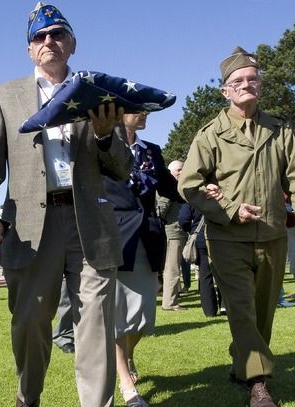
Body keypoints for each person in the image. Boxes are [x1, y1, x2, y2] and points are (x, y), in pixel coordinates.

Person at [0, 3, 133, 406]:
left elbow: (122, 169)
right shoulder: (4, 96)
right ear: (29, 50)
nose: (49, 42)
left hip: (89, 223)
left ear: (72, 43)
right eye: (39, 37)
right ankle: (28, 397)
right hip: (28, 229)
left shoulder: (97, 93)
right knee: (30, 323)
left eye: (57, 34)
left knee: (94, 324)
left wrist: (108, 135)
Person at [178, 47, 295, 407]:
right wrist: (228, 208)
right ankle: (258, 384)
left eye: (252, 79)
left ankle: (242, 361)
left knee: (262, 312)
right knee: (242, 309)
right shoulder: (211, 134)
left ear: (261, 85)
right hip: (227, 239)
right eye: (237, 81)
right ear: (225, 91)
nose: (246, 85)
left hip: (273, 234)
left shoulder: (281, 130)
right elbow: (189, 185)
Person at [103, 112, 181, 406]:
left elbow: (170, 189)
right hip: (114, 238)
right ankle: (127, 387)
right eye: (138, 107)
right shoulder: (102, 146)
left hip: (148, 239)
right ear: (119, 113)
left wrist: (200, 190)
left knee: (142, 318)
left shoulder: (151, 151)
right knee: (117, 319)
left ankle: (127, 354)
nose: (145, 112)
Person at [178, 203, 223, 316]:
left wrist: (192, 230)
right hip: (221, 235)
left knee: (205, 274)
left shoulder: (193, 194)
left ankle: (209, 310)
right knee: (223, 273)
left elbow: (183, 218)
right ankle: (224, 306)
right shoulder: (220, 191)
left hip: (201, 235)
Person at [158, 160, 189, 310]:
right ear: (171, 172)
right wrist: (161, 224)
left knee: (174, 267)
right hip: (172, 232)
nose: (182, 172)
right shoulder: (169, 186)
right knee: (172, 268)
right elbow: (161, 209)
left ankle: (172, 298)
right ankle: (170, 303)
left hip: (177, 231)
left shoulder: (175, 186)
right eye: (179, 170)